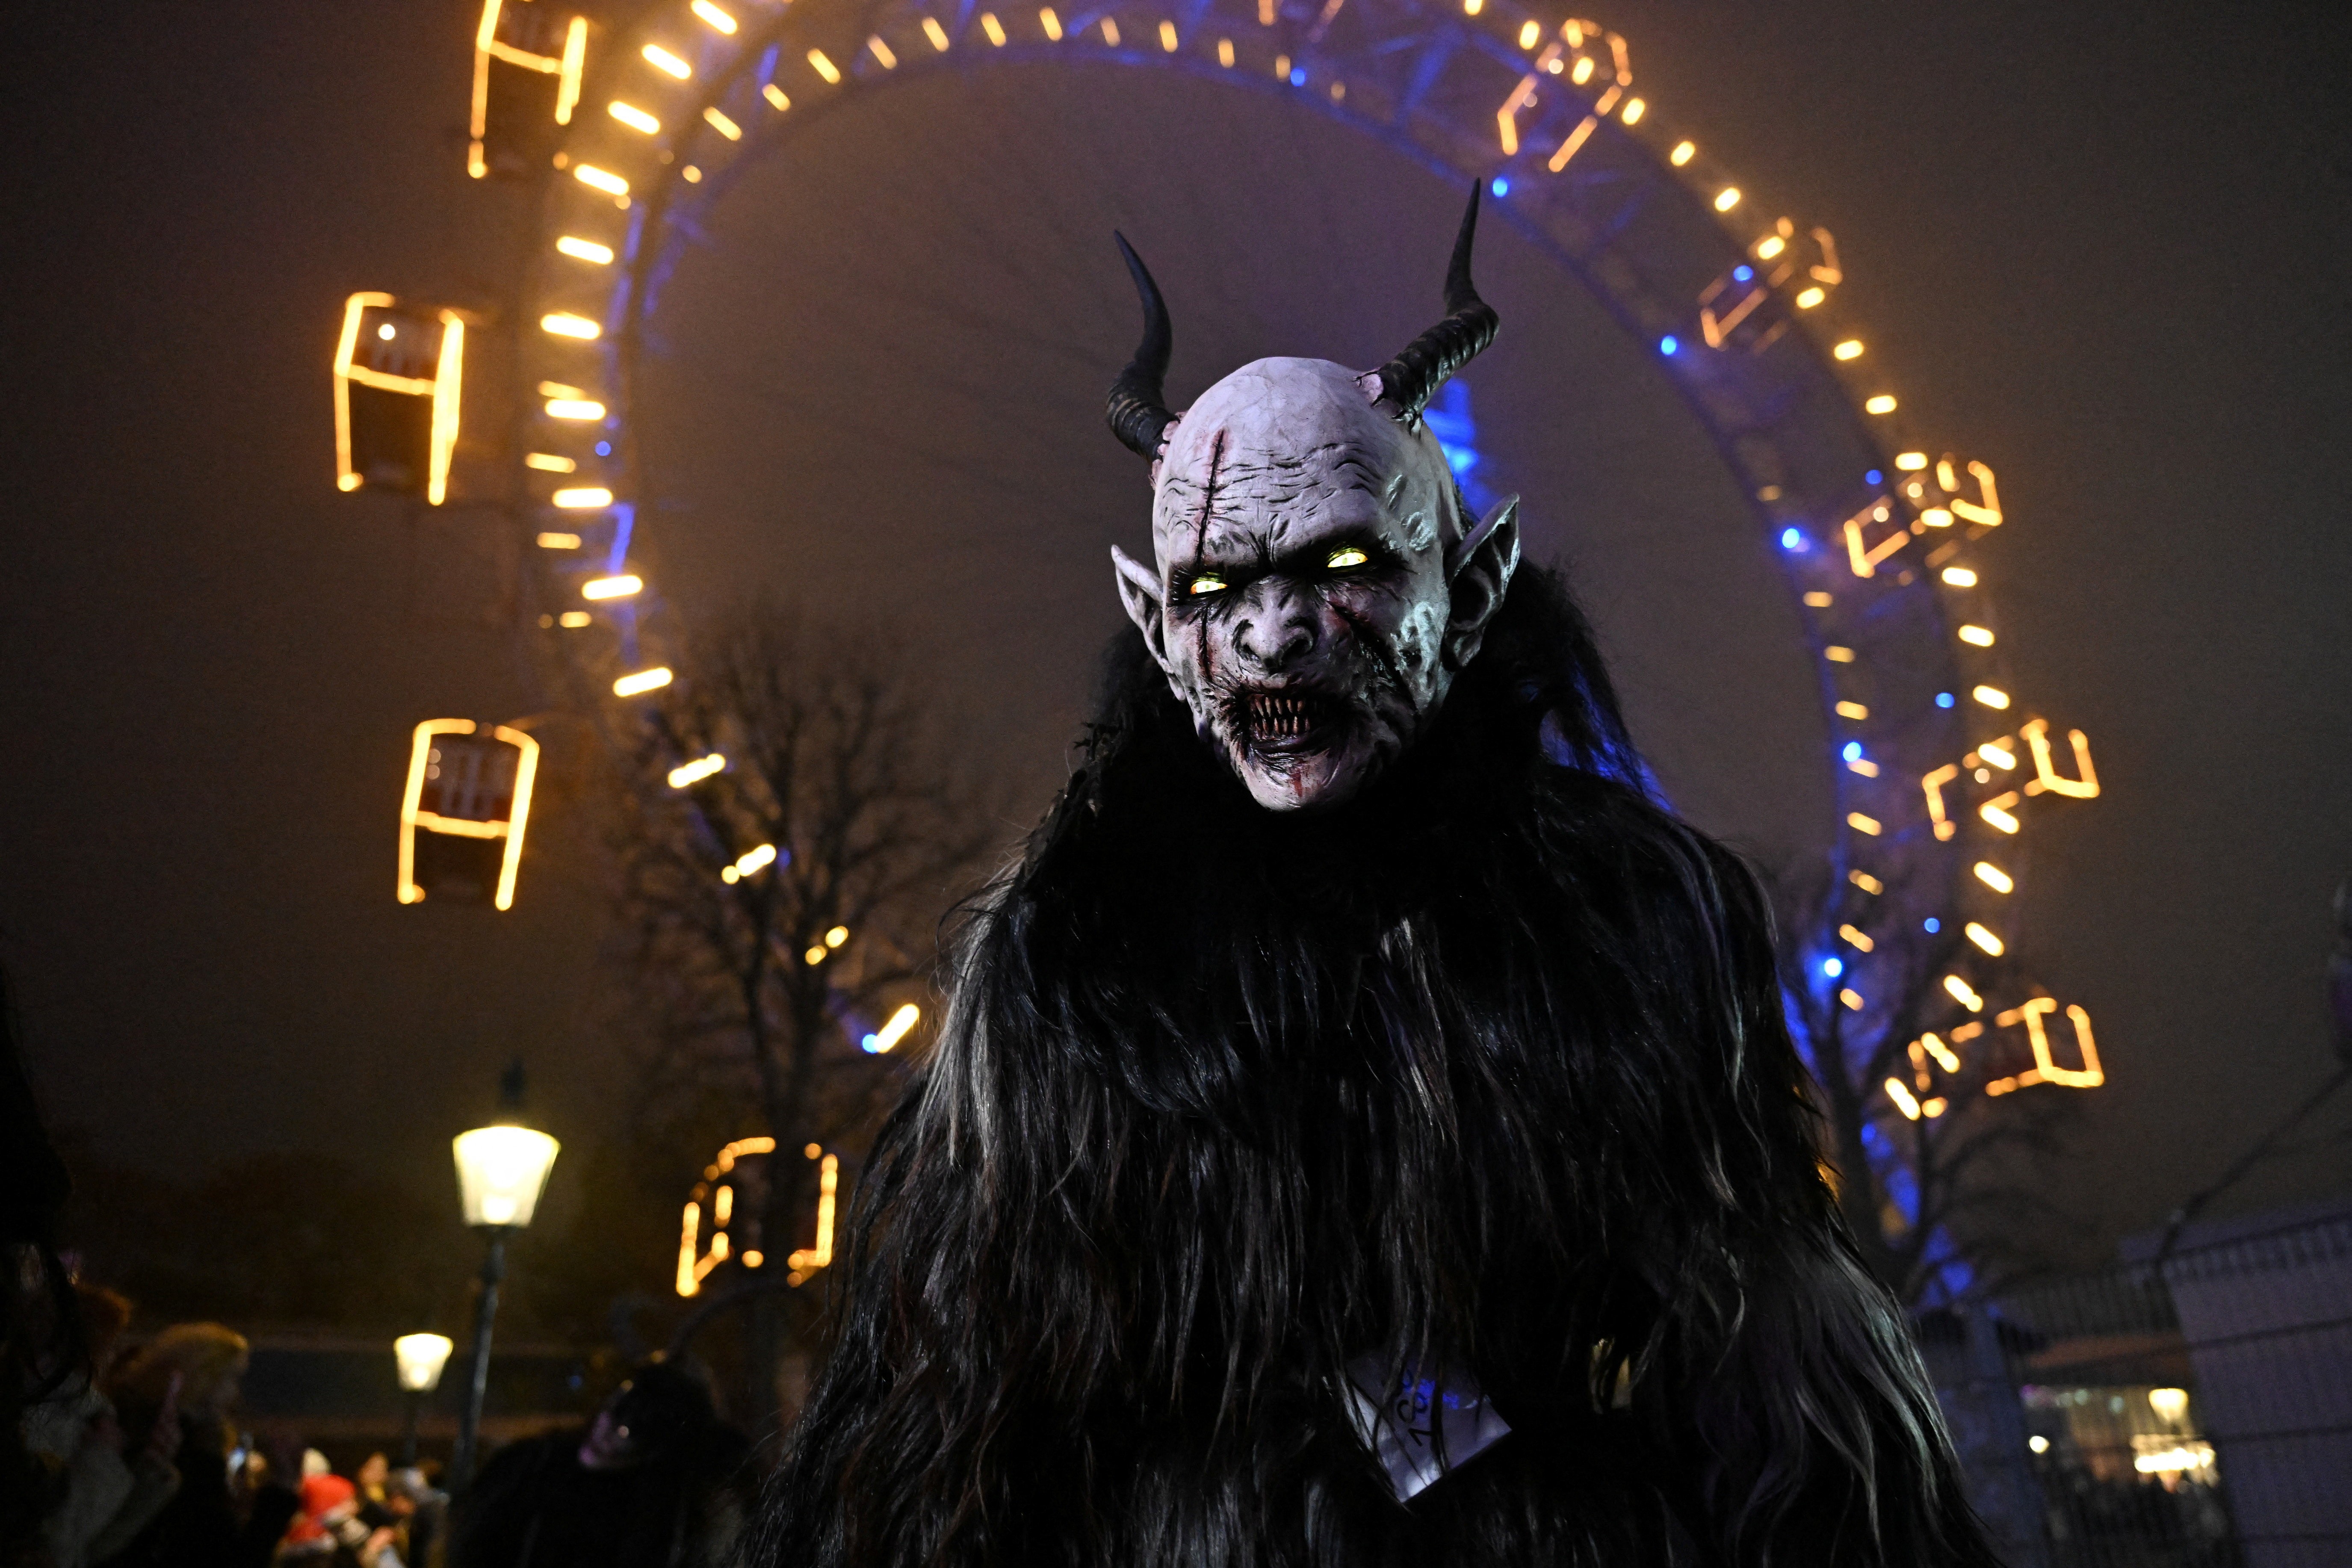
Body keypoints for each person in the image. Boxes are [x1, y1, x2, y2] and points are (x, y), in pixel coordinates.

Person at [757, 190, 2001, 1564]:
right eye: (1217, 590)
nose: (1277, 638)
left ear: (1471, 588)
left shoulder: (1639, 926)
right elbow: (955, 1407)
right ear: (1152, 623)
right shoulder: (1069, 970)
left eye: (1342, 567)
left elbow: (1779, 1376)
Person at [447, 1361, 751, 1568]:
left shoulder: (662, 1511)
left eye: (631, 1431)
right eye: (613, 1412)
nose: (609, 1433)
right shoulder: (532, 1466)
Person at [96, 1325, 304, 1568]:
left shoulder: (135, 1425)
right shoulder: (186, 1451)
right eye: (231, 1378)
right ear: (201, 1375)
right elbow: (221, 1554)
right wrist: (280, 1491)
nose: (234, 1393)